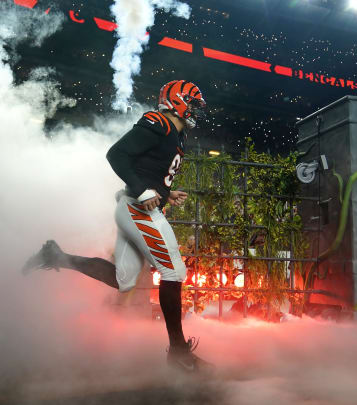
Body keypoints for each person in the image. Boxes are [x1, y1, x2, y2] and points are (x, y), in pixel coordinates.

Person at [22, 80, 212, 372]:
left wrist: (163, 192)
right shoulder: (158, 122)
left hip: (136, 207)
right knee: (173, 272)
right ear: (177, 101)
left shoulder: (176, 133)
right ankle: (177, 352)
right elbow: (117, 154)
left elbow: (149, 169)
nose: (197, 112)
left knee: (123, 281)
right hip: (138, 210)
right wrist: (141, 190)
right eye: (194, 104)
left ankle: (56, 257)